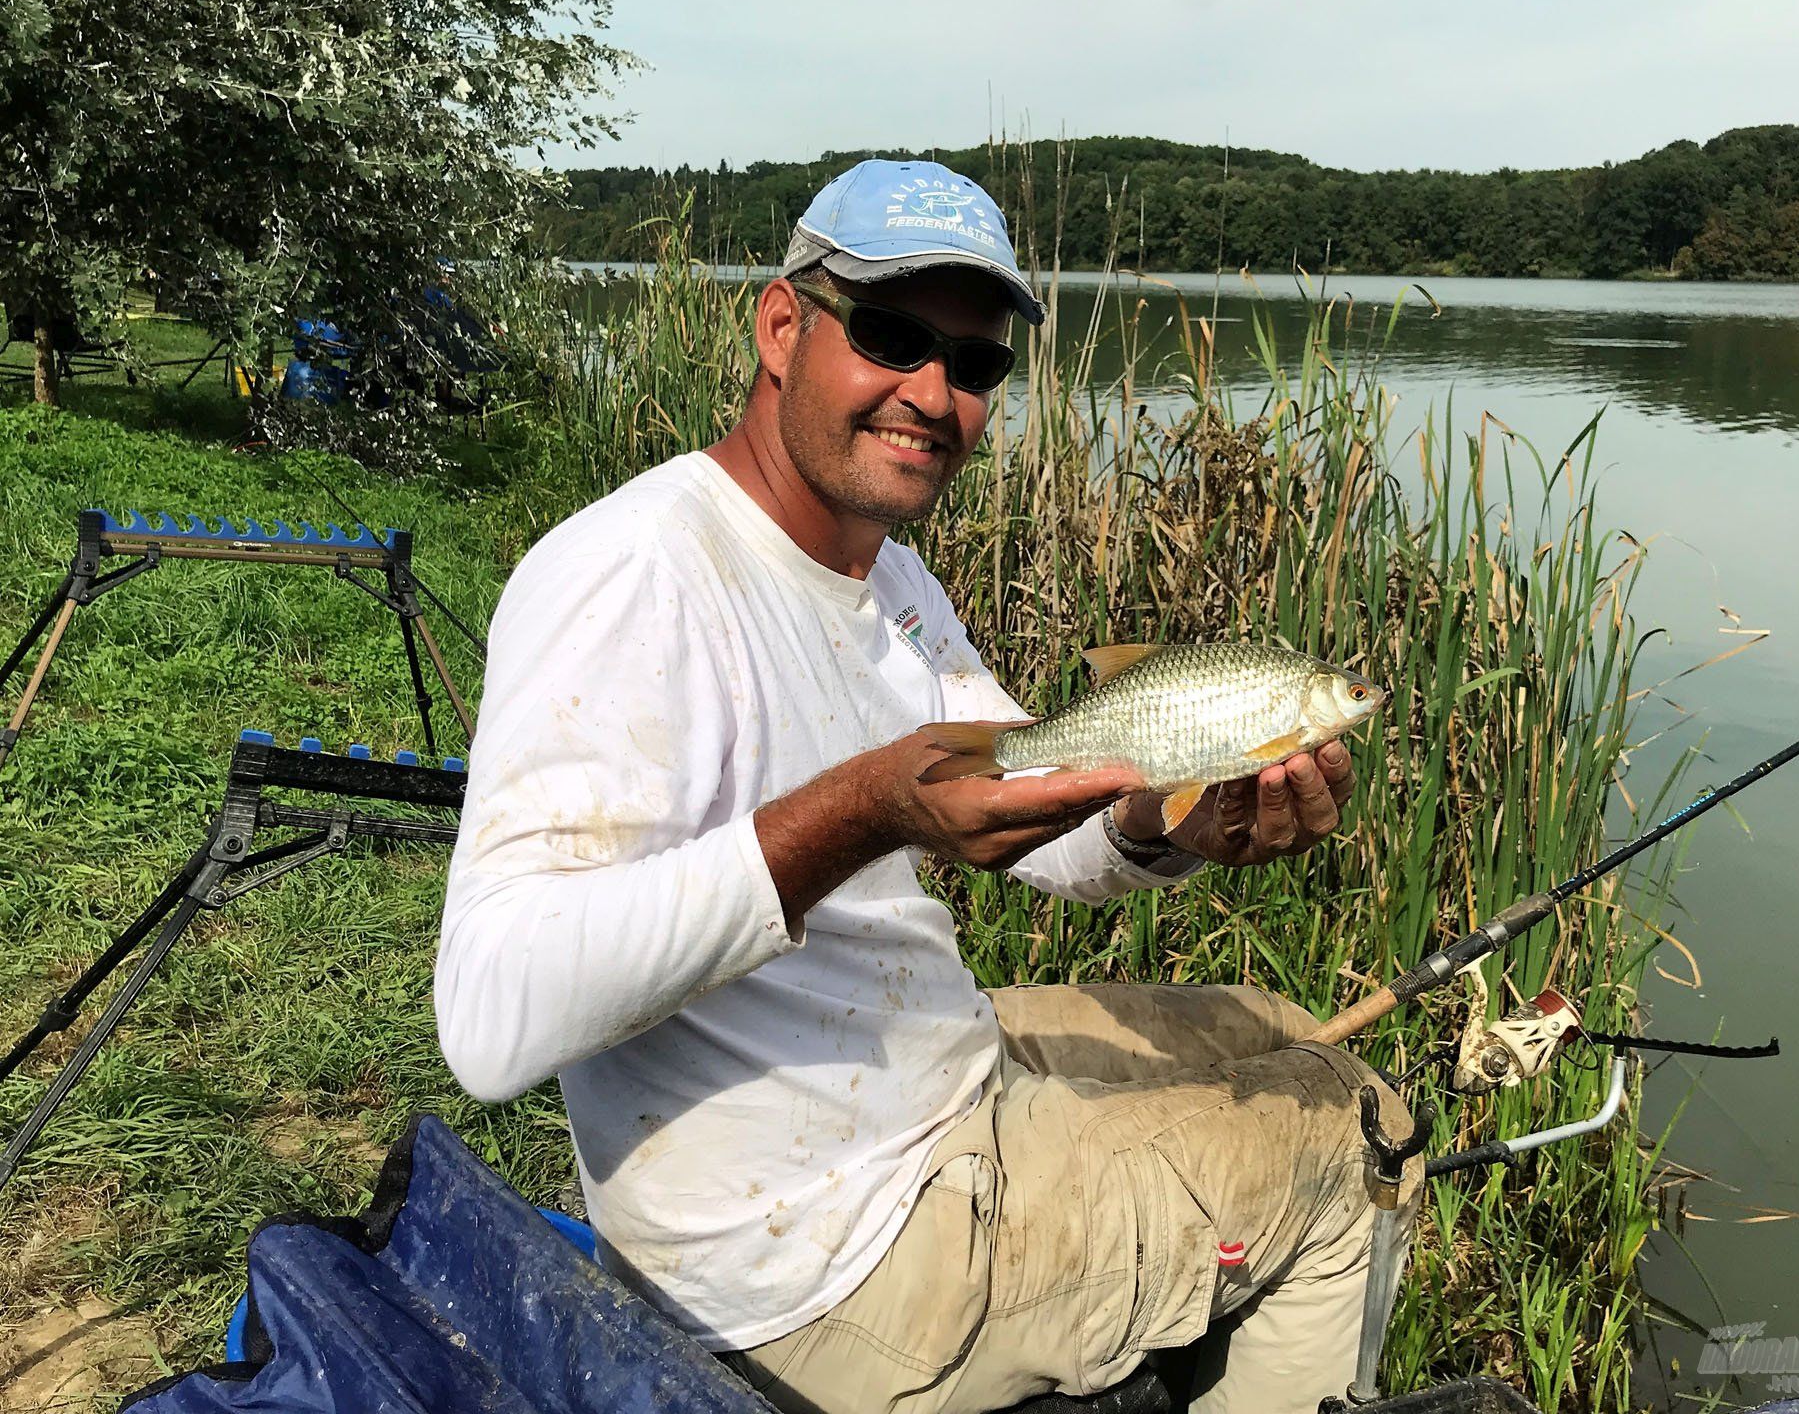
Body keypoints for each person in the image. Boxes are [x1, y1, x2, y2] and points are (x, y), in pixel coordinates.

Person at [435, 159, 1420, 1414]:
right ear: (783, 328)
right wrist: (860, 814)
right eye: (896, 336)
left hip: (922, 1080)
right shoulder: (633, 576)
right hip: (823, 1254)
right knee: (1361, 1131)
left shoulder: (893, 583)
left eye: (977, 364)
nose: (934, 394)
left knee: (1270, 1024)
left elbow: (1035, 798)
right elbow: (489, 1021)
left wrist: (1171, 816)